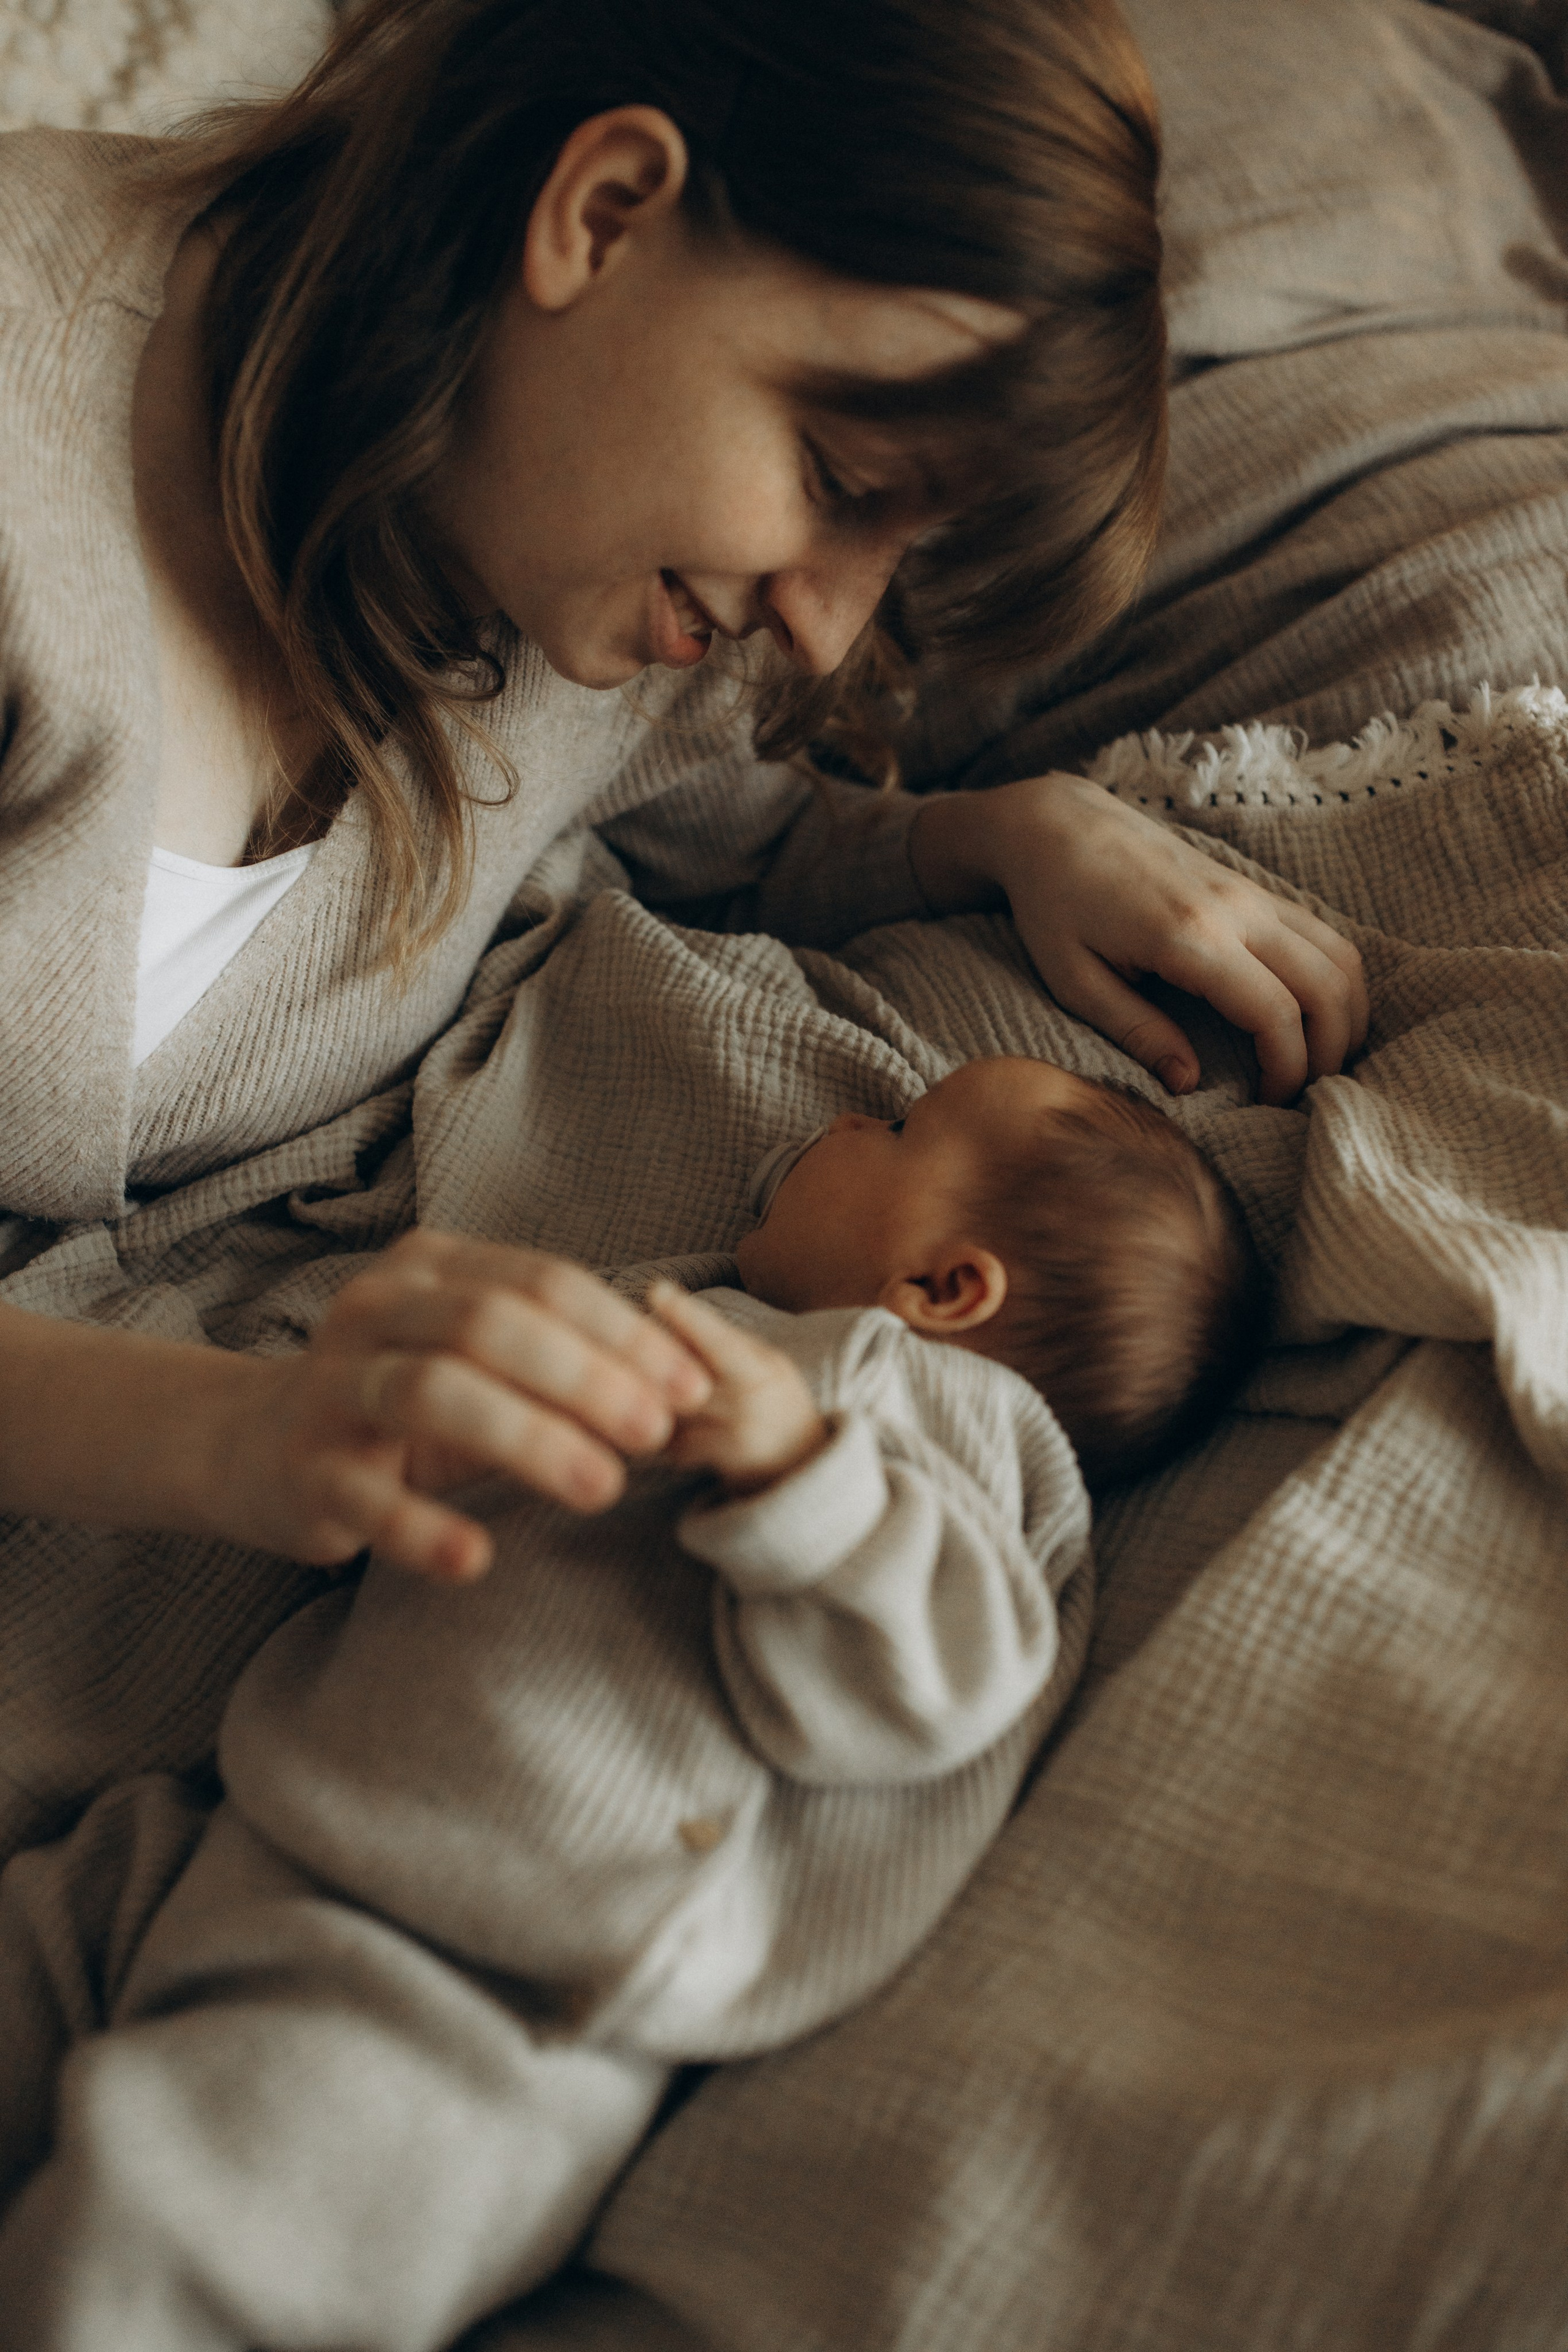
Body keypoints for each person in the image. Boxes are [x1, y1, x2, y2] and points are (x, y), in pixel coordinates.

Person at [0, 0, 1364, 1622]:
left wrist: (1000, 831)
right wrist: (233, 1436)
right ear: (603, 214)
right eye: (841, 486)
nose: (827, 629)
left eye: (896, 561)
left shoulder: (591, 557)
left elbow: (727, 828)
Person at [0, 1057, 1264, 2348]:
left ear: (944, 1288)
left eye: (895, 1129)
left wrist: (799, 1470)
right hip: (263, 1823)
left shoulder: (922, 1415)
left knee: (169, 2253)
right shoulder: (710, 1327)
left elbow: (941, 1676)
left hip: (479, 1986)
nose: (841, 1117)